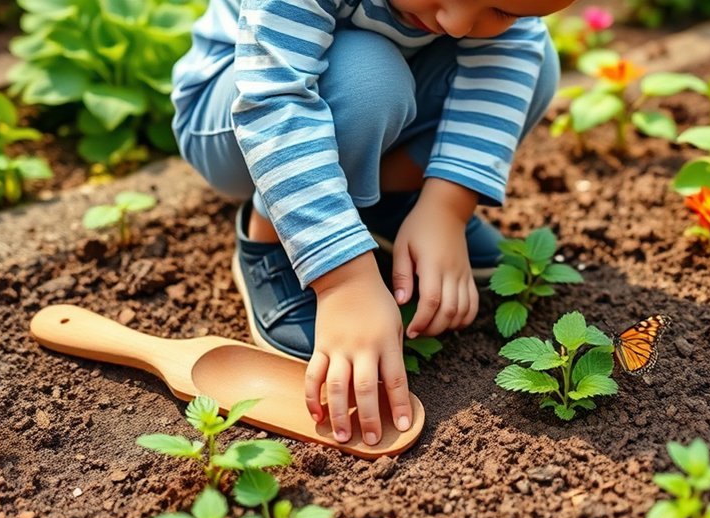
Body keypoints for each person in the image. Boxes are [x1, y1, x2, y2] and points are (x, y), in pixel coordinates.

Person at [171, 0, 572, 447]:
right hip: (241, 109)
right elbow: (274, 102)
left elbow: (509, 56)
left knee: (532, 62)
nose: (457, 24)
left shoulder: (457, 15)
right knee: (369, 78)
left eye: (500, 9)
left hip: (354, 92)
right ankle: (270, 236)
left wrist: (445, 207)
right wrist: (344, 283)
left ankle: (380, 205)